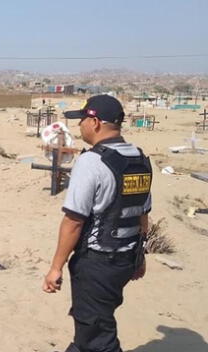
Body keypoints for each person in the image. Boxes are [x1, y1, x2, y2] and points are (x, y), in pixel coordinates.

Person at [42, 95, 152, 352]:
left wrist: (56, 267)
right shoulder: (138, 158)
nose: (79, 126)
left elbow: (73, 221)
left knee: (98, 335)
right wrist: (139, 255)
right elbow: (142, 214)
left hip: (98, 263)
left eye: (82, 120)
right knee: (93, 324)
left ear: (95, 122)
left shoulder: (92, 162)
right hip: (125, 260)